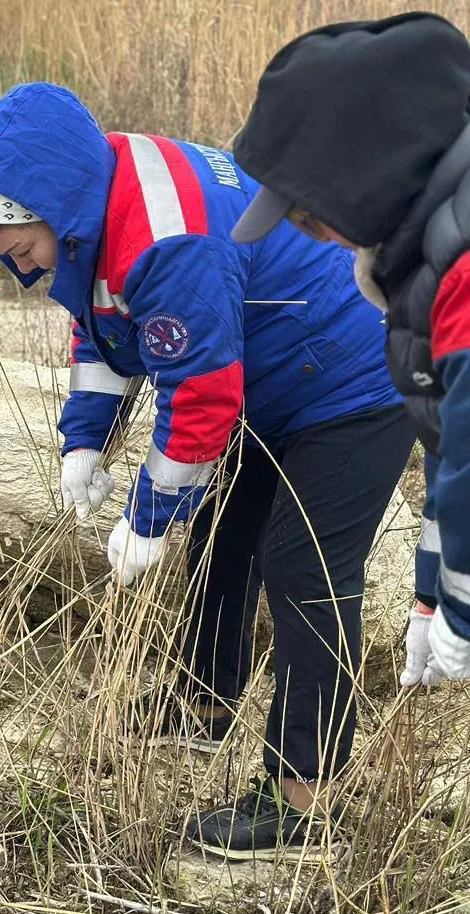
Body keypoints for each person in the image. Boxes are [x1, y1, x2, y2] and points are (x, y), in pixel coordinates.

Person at [0, 82, 412, 860]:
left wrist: (146, 518)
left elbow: (202, 398)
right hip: (276, 378)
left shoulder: (165, 239)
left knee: (304, 569)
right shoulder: (96, 195)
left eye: (23, 255)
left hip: (355, 375)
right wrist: (84, 441)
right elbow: (102, 325)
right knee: (226, 536)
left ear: (57, 212)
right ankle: (202, 706)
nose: (24, 275)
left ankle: (303, 799)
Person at [228, 11, 470, 689]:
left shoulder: (460, 271)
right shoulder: (428, 255)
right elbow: (449, 449)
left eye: (310, 216)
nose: (314, 240)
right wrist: (433, 595)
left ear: (366, 177)